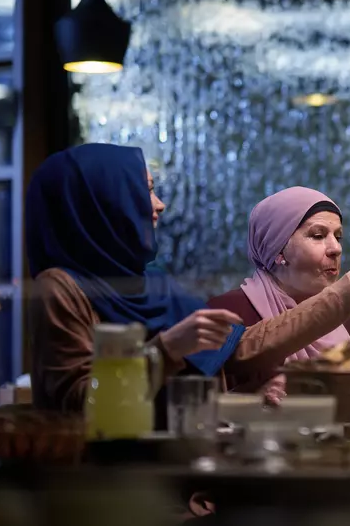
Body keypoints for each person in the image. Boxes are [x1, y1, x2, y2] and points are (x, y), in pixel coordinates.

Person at [26, 143, 243, 414]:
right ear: (102, 200)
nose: (160, 205)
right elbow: (80, 404)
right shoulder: (59, 289)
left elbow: (236, 348)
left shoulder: (153, 285)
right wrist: (164, 351)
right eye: (146, 190)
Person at [206, 187, 350, 403]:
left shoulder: (341, 318)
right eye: (318, 236)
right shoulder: (227, 311)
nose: (336, 248)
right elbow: (199, 404)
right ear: (278, 250)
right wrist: (251, 399)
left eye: (339, 237)